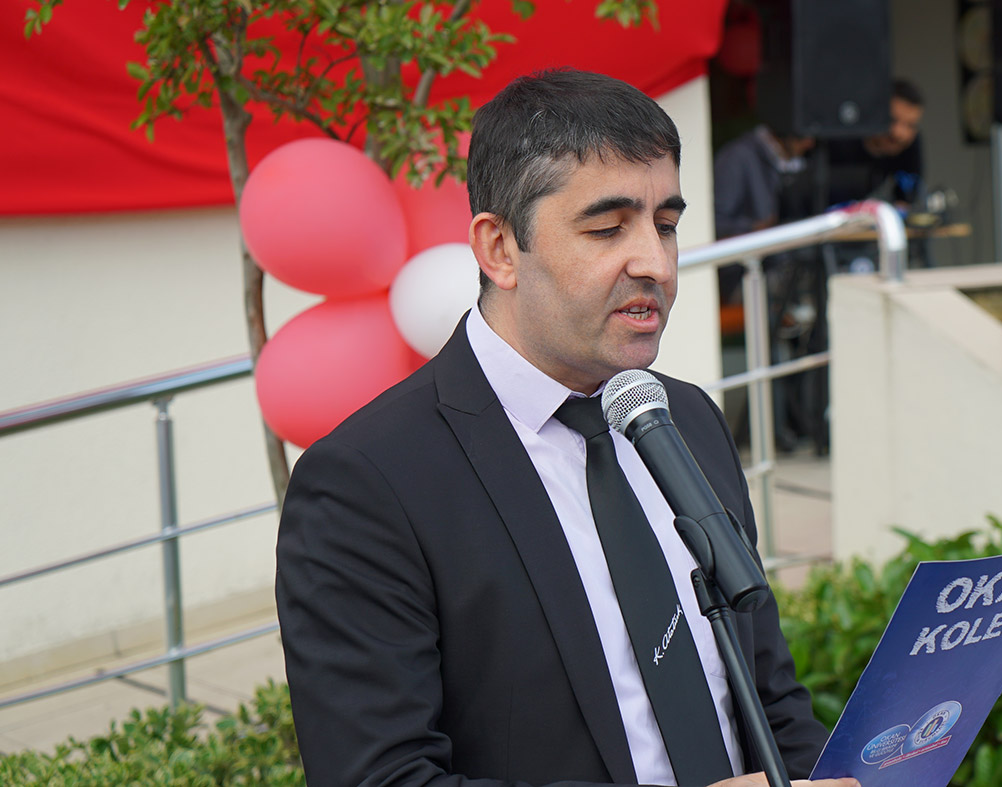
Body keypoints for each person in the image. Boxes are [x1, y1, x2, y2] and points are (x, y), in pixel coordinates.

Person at [275, 69, 854, 787]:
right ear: (498, 248)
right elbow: (382, 777)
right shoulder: (367, 482)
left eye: (666, 225)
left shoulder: (688, 419)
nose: (655, 264)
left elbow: (769, 697)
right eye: (607, 228)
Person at [822, 79, 924, 209]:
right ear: (874, 113)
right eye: (892, 120)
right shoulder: (839, 137)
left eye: (911, 125)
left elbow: (906, 202)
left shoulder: (909, 144)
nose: (899, 133)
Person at [712, 124, 815, 240]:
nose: (809, 143)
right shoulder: (738, 157)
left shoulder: (806, 161)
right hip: (753, 247)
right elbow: (715, 220)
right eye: (802, 136)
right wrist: (753, 228)